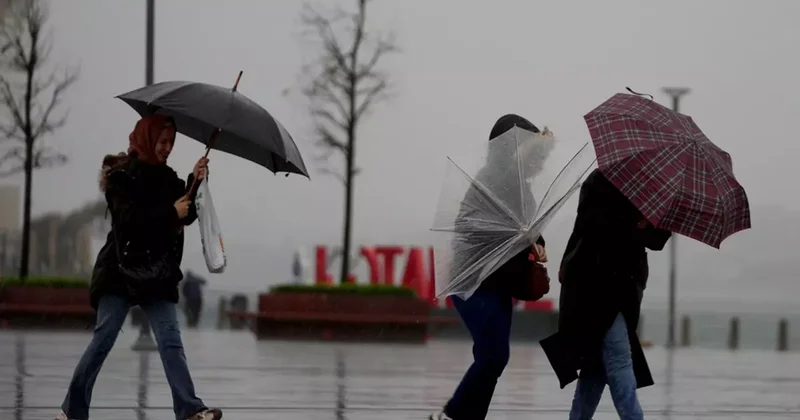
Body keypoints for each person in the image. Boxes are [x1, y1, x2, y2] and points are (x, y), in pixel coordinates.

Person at [56, 115, 222, 420]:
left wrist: (196, 180)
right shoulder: (121, 178)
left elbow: (184, 214)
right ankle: (72, 411)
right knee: (104, 338)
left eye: (171, 142)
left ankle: (189, 410)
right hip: (120, 269)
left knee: (171, 341)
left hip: (157, 272)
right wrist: (170, 212)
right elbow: (128, 222)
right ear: (147, 139)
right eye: (162, 142)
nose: (167, 148)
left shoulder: (169, 179)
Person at [430, 114, 552, 420]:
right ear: (510, 148)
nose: (534, 159)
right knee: (494, 356)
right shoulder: (490, 181)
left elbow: (529, 226)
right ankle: (451, 415)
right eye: (526, 147)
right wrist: (515, 234)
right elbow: (469, 226)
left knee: (491, 358)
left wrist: (538, 243)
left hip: (500, 283)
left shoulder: (521, 187)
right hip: (475, 281)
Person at [540, 168, 672, 420]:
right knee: (619, 357)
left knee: (595, 364)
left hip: (626, 285)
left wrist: (654, 222)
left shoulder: (654, 189)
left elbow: (656, 241)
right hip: (593, 283)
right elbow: (594, 226)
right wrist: (636, 221)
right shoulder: (600, 179)